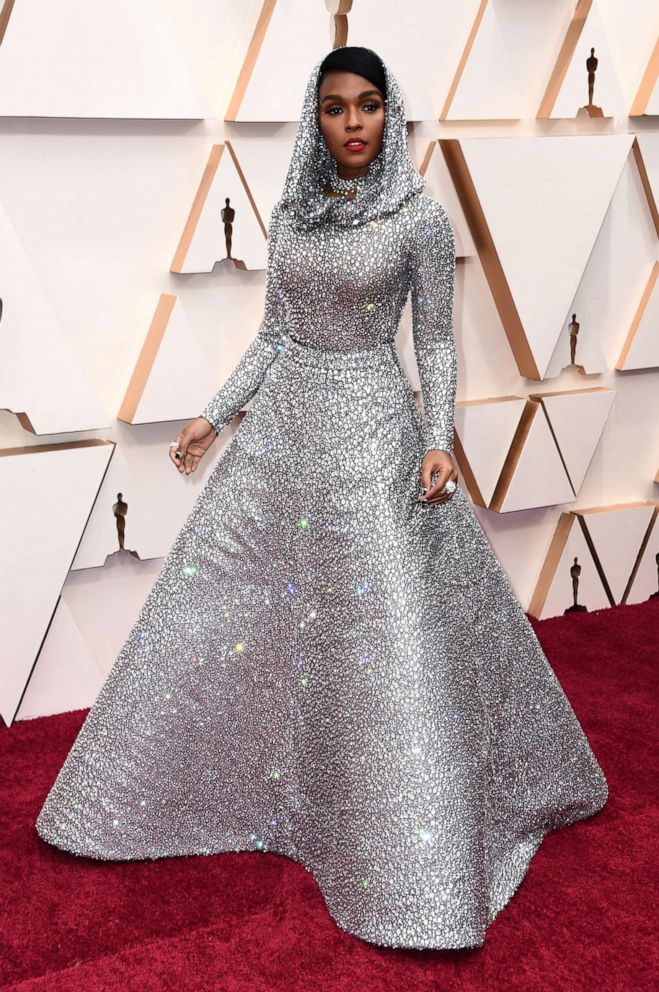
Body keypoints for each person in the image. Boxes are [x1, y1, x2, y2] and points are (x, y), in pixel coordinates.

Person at [35, 46, 608, 950]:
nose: (353, 124)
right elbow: (274, 334)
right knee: (229, 607)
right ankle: (245, 791)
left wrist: (434, 439)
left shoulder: (419, 217)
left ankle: (397, 848)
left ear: (391, 114)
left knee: (377, 631)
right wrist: (212, 418)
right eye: (336, 108)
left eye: (370, 107)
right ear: (317, 117)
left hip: (372, 432)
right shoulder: (293, 214)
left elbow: (437, 345)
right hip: (280, 438)